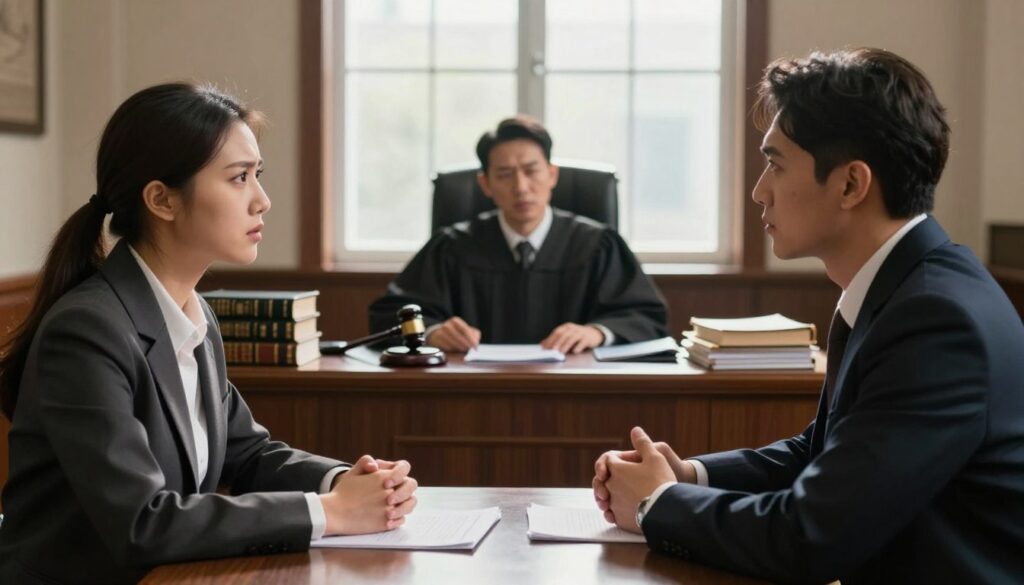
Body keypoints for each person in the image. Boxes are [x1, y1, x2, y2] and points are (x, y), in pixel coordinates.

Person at [593, 48, 1024, 584]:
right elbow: (822, 453)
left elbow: (810, 538)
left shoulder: (937, 322)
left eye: (775, 165)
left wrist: (658, 504)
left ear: (850, 184)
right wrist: (690, 475)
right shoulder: (908, 288)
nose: (759, 191)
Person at [0, 83, 418, 584]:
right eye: (239, 178)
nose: (262, 200)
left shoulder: (193, 314)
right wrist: (330, 512)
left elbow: (245, 452)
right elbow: (142, 522)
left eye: (257, 176)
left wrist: (350, 480)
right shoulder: (87, 331)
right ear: (162, 199)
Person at [369, 116, 669, 354]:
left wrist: (596, 332)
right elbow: (390, 314)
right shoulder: (452, 247)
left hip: (577, 395)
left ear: (552, 175)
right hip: (471, 395)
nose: (521, 187)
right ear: (485, 184)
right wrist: (433, 332)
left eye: (531, 170)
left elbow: (646, 317)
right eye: (505, 174)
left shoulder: (598, 245)